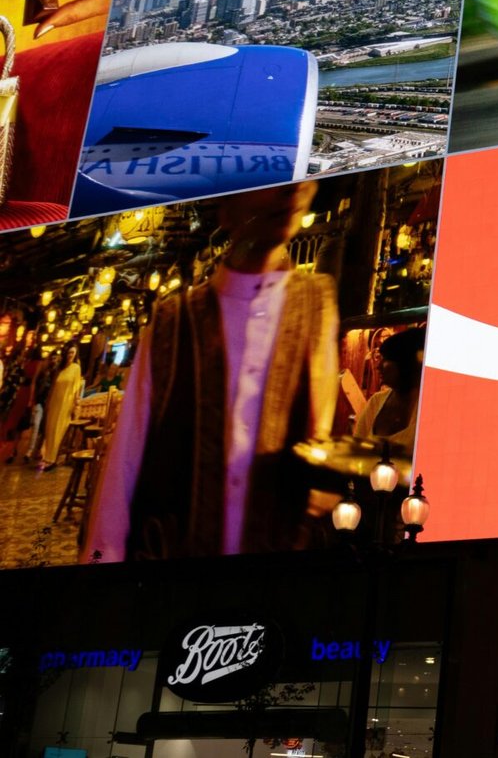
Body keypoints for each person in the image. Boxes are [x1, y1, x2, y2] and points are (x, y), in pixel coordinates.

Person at [83, 181, 339, 561]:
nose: (294, 190)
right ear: (226, 208)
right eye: (272, 179)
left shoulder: (318, 303)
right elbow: (127, 457)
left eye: (305, 177)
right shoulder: (172, 320)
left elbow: (318, 435)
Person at [352, 326, 426, 454]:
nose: (378, 366)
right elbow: (356, 447)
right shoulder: (376, 401)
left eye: (385, 360)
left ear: (405, 364)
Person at [37, 345, 83, 468]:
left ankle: (52, 459)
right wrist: (48, 403)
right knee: (50, 429)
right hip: (54, 402)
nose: (70, 355)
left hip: (66, 403)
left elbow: (77, 388)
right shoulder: (60, 368)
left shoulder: (76, 368)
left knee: (59, 429)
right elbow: (53, 387)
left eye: (73, 352)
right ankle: (46, 456)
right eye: (68, 352)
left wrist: (76, 404)